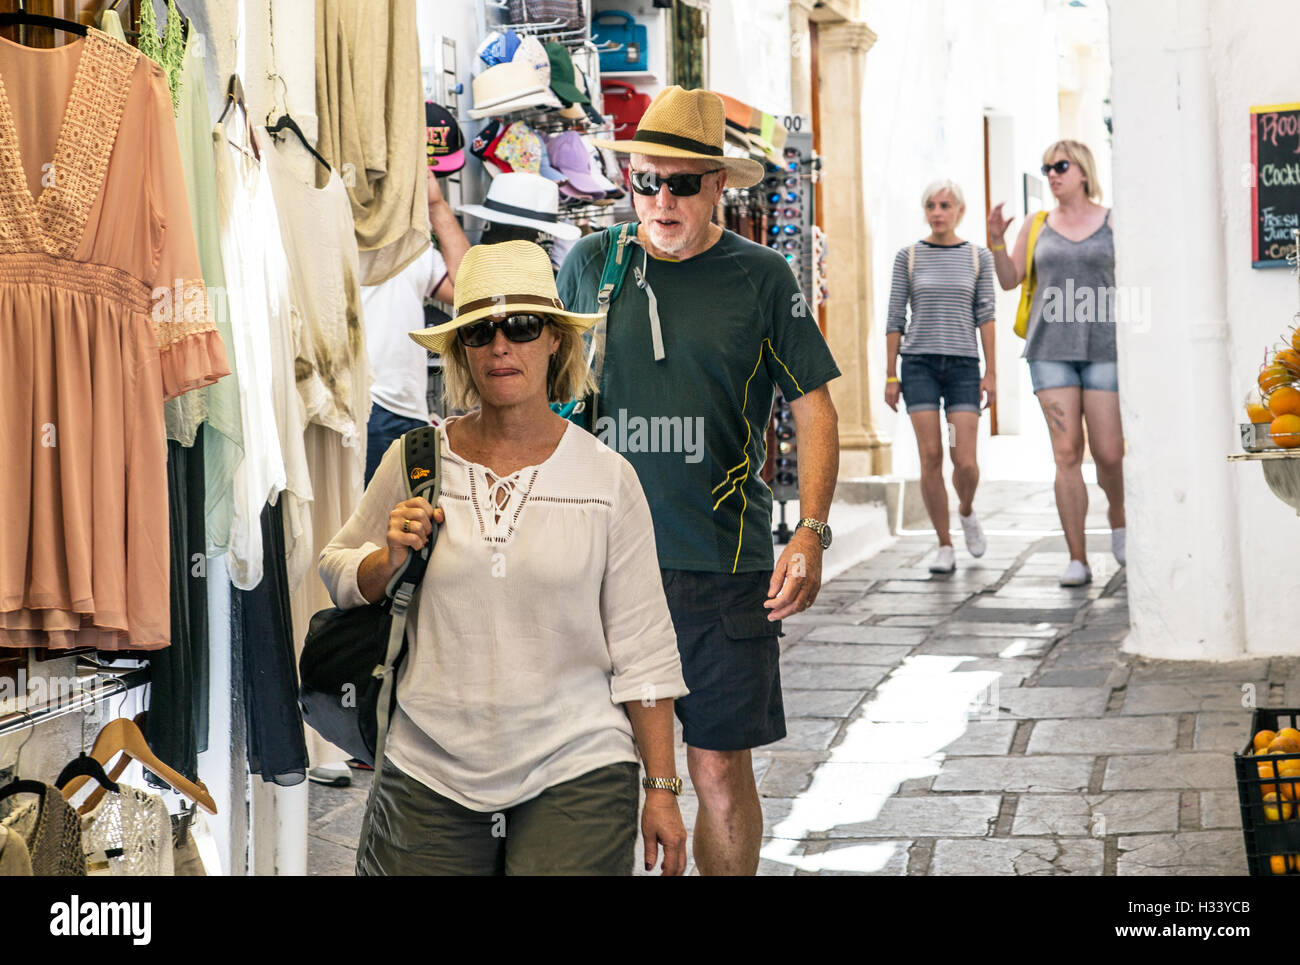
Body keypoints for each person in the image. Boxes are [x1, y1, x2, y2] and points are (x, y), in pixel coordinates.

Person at [319, 240, 689, 876]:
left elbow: (644, 647)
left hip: (578, 763)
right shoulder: (416, 460)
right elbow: (337, 569)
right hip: (427, 765)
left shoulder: (607, 478)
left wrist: (662, 789)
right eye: (480, 331)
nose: (500, 346)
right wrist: (387, 557)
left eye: (521, 326)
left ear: (554, 340)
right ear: (461, 348)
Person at [559, 86, 841, 876]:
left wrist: (811, 532)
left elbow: (815, 408)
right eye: (646, 180)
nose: (661, 199)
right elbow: (546, 395)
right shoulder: (592, 264)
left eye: (682, 182)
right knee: (600, 775)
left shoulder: (761, 277)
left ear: (720, 185)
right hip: (599, 568)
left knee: (717, 769)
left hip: (721, 565)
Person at [988, 139, 1126, 586]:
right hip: (1050, 351)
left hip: (1105, 347)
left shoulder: (1113, 221)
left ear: (1082, 171)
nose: (1051, 174)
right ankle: (1078, 557)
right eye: (1046, 167)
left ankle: (1121, 523)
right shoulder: (1037, 223)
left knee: (1108, 453)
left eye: (1060, 166)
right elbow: (1011, 280)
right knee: (1066, 454)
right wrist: (995, 242)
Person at [885, 179, 996, 573]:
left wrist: (992, 372)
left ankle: (966, 510)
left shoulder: (978, 257)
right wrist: (890, 375)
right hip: (919, 367)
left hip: (964, 367)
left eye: (945, 205)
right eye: (931, 205)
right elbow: (895, 315)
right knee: (930, 456)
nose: (937, 212)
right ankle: (944, 543)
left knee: (963, 460)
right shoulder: (909, 256)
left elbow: (985, 315)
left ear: (959, 211)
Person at [360, 169, 471, 487]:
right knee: (378, 529)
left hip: (411, 411)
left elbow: (468, 289)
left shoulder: (411, 246)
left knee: (416, 526)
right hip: (370, 407)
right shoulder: (340, 239)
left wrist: (435, 204)